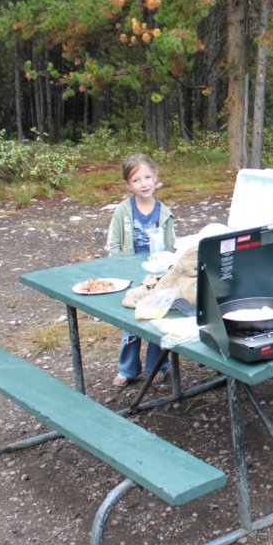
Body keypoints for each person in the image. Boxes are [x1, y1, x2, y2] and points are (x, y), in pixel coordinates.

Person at [106, 153, 176, 387]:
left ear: (156, 178)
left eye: (147, 177)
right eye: (136, 180)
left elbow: (171, 247)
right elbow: (114, 245)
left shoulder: (164, 212)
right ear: (128, 184)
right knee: (131, 323)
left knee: (156, 318)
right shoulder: (123, 211)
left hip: (156, 275)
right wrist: (120, 268)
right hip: (130, 274)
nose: (144, 184)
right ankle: (127, 368)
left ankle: (158, 366)